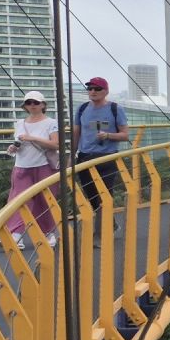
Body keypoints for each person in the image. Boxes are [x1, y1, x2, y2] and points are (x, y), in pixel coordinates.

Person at [74, 77, 130, 241]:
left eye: (97, 89)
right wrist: (72, 154)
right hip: (85, 157)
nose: (93, 91)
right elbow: (76, 133)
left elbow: (125, 135)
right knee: (92, 196)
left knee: (104, 195)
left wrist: (108, 135)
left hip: (106, 157)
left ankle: (102, 234)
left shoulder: (115, 108)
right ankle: (110, 225)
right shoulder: (82, 108)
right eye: (90, 89)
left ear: (105, 91)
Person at [6, 91, 59, 250]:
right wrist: (13, 147)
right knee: (19, 200)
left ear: (43, 105)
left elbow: (55, 144)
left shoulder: (51, 122)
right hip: (22, 166)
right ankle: (16, 234)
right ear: (25, 106)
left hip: (44, 166)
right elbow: (18, 143)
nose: (32, 105)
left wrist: (33, 138)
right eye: (28, 103)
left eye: (36, 102)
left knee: (45, 200)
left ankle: (48, 233)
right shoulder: (20, 123)